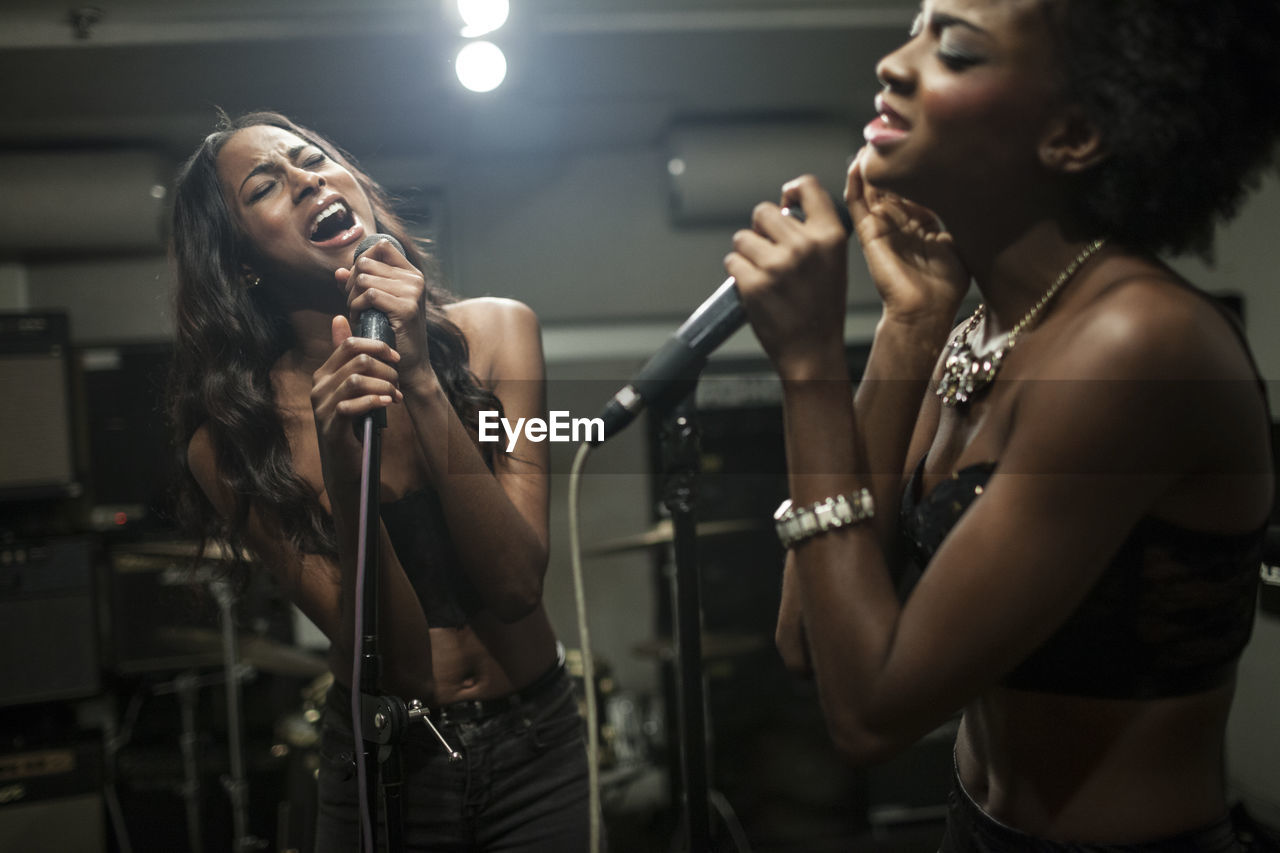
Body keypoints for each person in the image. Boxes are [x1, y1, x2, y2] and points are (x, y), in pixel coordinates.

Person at [723, 1, 1280, 851]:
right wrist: (908, 327)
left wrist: (809, 371)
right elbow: (809, 637)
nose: (895, 63)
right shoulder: (979, 329)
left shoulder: (1134, 345)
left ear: (1074, 133)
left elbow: (871, 716)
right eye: (913, 27)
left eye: (953, 48)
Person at [166, 110, 593, 851]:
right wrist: (345, 468)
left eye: (313, 160)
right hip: (389, 757)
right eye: (268, 185)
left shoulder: (499, 333)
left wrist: (422, 378)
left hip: (536, 745)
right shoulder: (234, 440)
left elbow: (518, 584)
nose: (307, 180)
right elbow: (396, 665)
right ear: (240, 263)